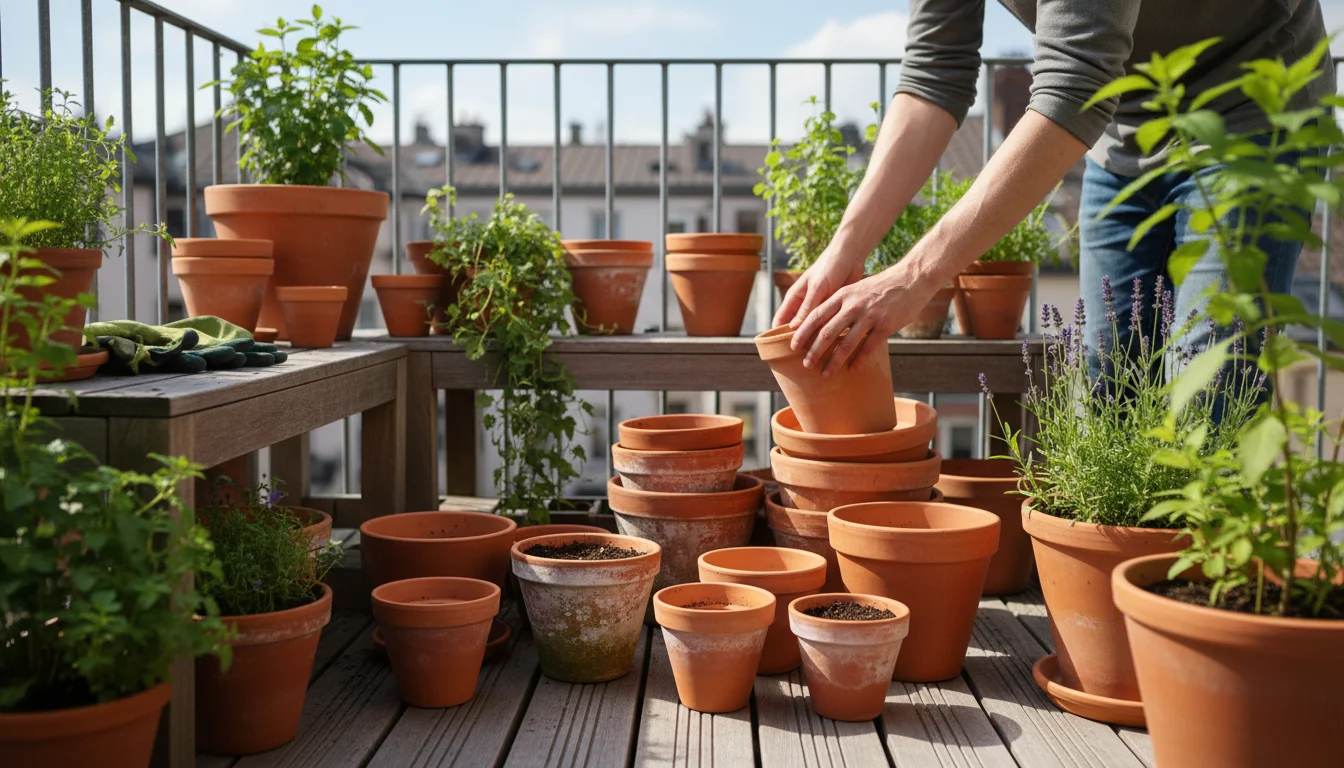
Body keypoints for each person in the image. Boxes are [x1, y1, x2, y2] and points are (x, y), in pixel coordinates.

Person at [776, 0, 1333, 381]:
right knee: (1107, 390)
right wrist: (843, 251)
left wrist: (914, 275)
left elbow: (1072, 90)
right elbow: (933, 74)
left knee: (1210, 382)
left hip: (1253, 108)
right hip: (1124, 126)